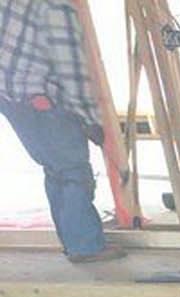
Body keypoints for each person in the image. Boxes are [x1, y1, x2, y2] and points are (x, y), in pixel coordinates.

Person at [0, 0, 119, 262]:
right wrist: (90, 119)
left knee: (55, 169)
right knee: (73, 171)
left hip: (12, 100)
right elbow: (72, 73)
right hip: (43, 102)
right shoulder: (58, 9)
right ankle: (85, 246)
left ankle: (74, 241)